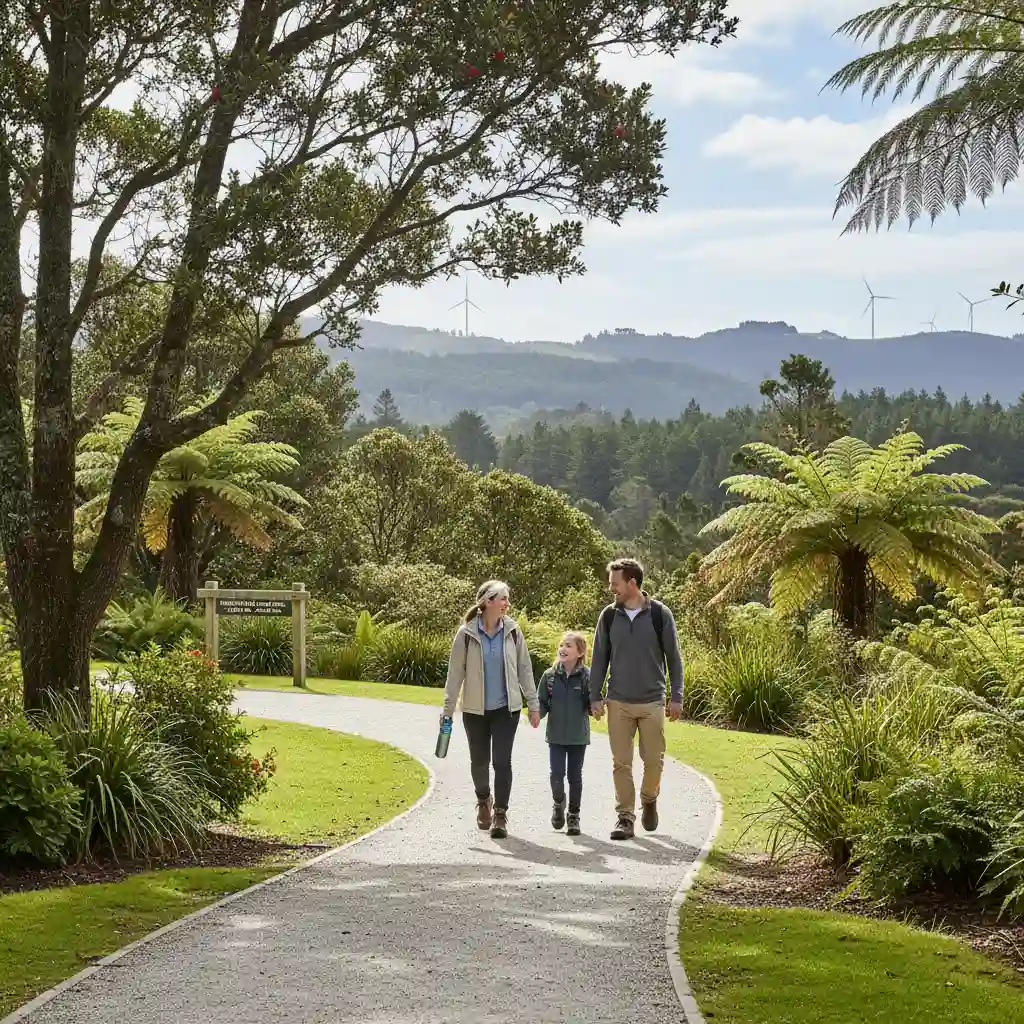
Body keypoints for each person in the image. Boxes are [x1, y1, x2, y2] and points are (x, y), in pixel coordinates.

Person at [589, 557, 684, 841]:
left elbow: (674, 659)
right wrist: (595, 696)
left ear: (632, 583)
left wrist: (676, 696)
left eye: (615, 584)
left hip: (653, 701)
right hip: (618, 701)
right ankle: (625, 818)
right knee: (621, 762)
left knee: (654, 760)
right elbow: (599, 659)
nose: (611, 589)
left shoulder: (660, 615)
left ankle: (649, 798)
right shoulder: (608, 616)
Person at [442, 579, 540, 839]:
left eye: (507, 598)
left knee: (501, 761)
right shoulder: (465, 635)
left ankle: (500, 814)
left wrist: (533, 703)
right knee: (480, 761)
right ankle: (483, 799)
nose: (507, 603)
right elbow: (454, 675)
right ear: (487, 602)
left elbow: (524, 669)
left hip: (506, 709)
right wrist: (447, 710)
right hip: (474, 710)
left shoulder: (513, 632)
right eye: (502, 598)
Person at [538, 631, 593, 837]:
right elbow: (542, 702)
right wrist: (537, 715)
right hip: (556, 736)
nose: (563, 648)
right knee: (556, 774)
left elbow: (592, 703)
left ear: (580, 652)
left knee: (575, 777)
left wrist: (596, 708)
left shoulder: (588, 676)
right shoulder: (549, 676)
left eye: (569, 645)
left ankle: (573, 816)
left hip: (578, 737)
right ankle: (558, 802)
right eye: (562, 645)